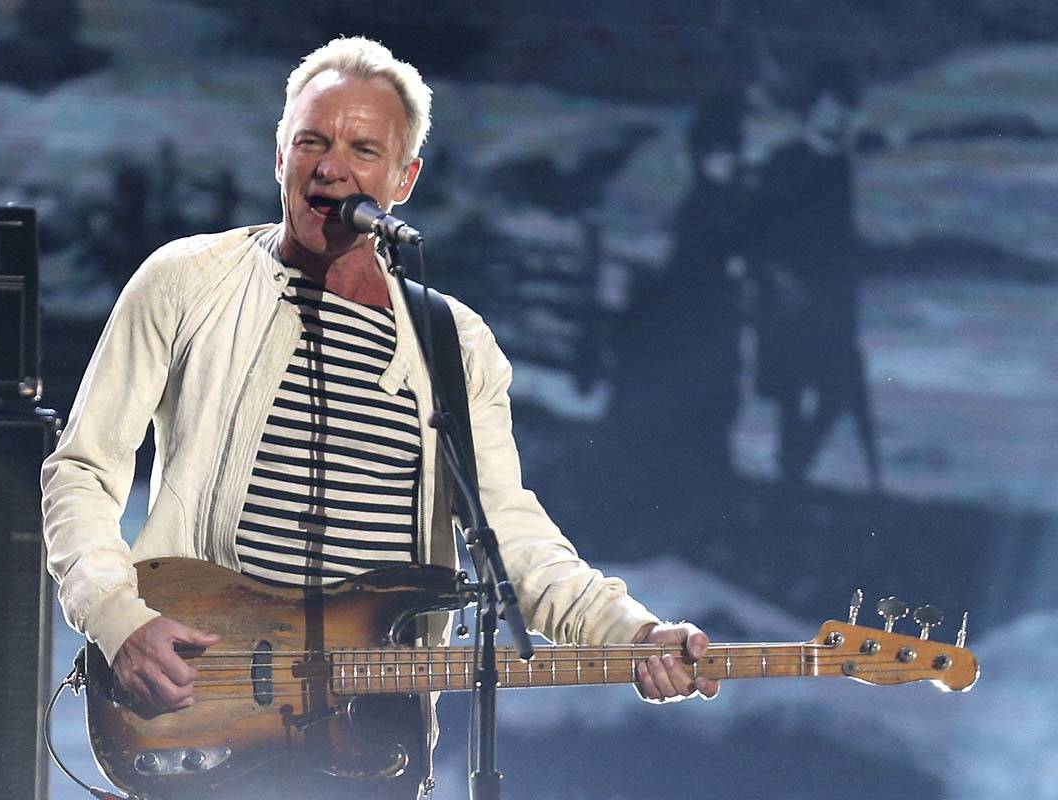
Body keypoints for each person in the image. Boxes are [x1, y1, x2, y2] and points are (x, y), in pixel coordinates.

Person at [41, 36, 717, 799]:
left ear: (404, 180)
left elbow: (512, 539)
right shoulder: (186, 282)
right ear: (279, 156)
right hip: (206, 713)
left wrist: (633, 634)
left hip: (369, 741)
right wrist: (116, 616)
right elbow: (82, 469)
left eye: (363, 149)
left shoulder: (452, 343)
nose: (331, 167)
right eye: (312, 141)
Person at [609, 92, 750, 511]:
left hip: (714, 316)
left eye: (728, 152)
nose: (721, 161)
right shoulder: (705, 201)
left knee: (712, 402)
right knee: (703, 403)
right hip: (702, 316)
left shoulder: (723, 199)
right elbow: (693, 263)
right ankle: (697, 492)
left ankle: (703, 489)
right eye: (713, 153)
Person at [750, 62, 882, 491]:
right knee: (790, 393)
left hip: (831, 300)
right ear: (811, 109)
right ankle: (790, 477)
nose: (838, 118)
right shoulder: (783, 162)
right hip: (787, 297)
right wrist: (779, 278)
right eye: (830, 107)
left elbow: (840, 237)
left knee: (835, 390)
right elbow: (762, 231)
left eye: (845, 110)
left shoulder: (839, 166)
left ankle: (795, 466)